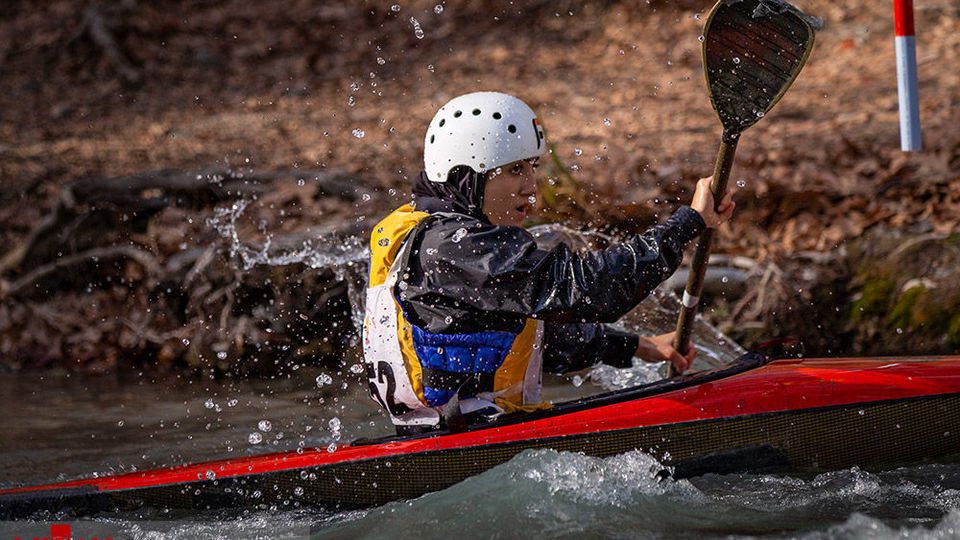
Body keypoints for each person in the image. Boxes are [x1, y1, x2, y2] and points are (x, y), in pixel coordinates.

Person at [362, 91, 734, 432]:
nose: (531, 187)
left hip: (453, 437)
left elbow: (530, 339)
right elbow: (588, 290)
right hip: (467, 441)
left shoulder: (432, 239)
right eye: (514, 170)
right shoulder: (453, 247)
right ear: (466, 178)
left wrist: (633, 345)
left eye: (531, 167)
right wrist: (688, 224)